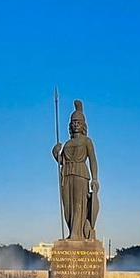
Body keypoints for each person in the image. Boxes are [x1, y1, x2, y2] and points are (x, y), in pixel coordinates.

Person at [51, 100, 99, 240]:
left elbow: (93, 160)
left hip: (80, 173)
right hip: (66, 174)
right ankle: (72, 231)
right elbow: (62, 161)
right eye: (73, 122)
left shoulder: (87, 141)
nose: (76, 124)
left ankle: (76, 234)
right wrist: (55, 153)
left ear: (83, 124)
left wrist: (95, 179)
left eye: (78, 122)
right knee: (67, 207)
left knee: (78, 204)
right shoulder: (67, 143)